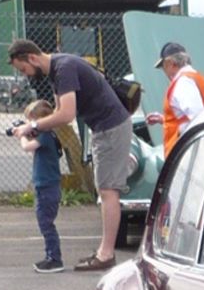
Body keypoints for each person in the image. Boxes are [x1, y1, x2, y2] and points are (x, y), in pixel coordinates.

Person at [7, 38, 132, 271]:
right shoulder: (57, 70)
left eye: (24, 69)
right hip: (103, 128)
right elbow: (58, 111)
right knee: (105, 188)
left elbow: (66, 114)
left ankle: (106, 255)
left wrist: (32, 127)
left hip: (111, 128)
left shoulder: (63, 69)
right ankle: (104, 252)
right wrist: (33, 125)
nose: (26, 75)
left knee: (108, 191)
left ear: (32, 58)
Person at [145, 42, 204, 155]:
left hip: (188, 153)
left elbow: (198, 117)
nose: (164, 72)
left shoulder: (183, 83)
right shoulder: (194, 77)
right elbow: (188, 118)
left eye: (164, 66)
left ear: (171, 63)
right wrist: (164, 119)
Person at [17, 99, 64, 274]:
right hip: (45, 186)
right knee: (45, 222)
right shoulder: (47, 136)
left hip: (47, 187)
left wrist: (22, 135)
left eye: (31, 121)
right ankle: (51, 256)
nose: (29, 124)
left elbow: (27, 147)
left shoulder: (45, 136)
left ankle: (54, 258)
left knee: (46, 223)